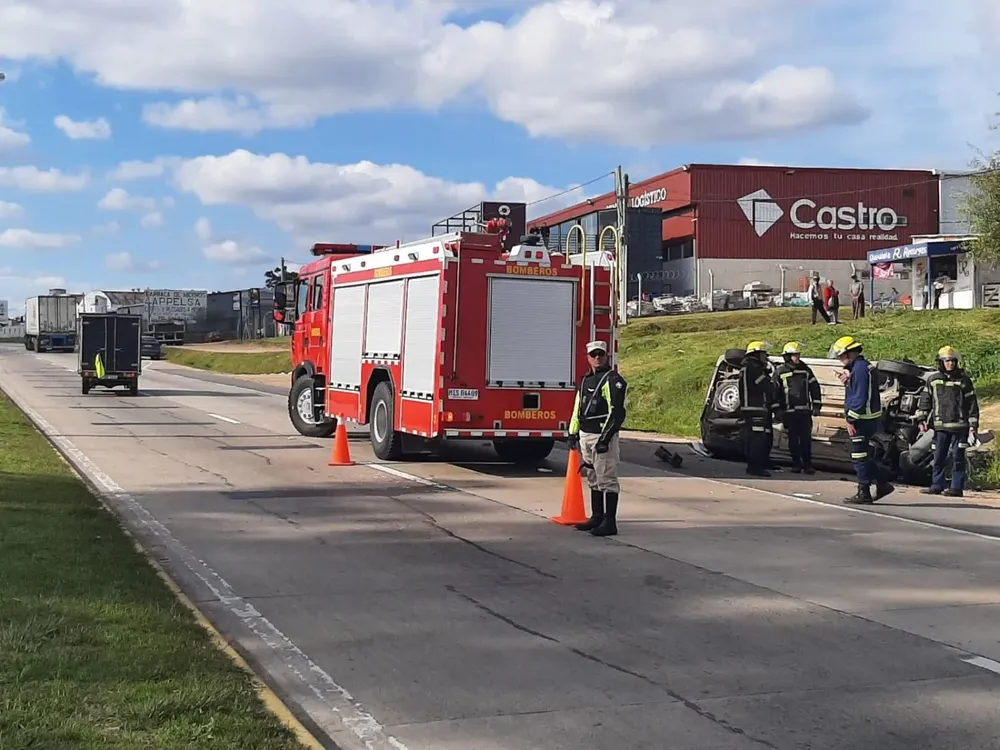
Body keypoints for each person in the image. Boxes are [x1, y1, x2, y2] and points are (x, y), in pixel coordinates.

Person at [567, 340, 628, 537]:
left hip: (602, 436)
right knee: (593, 477)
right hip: (586, 435)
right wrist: (573, 432)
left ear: (606, 356)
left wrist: (605, 439)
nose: (597, 358)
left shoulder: (613, 380)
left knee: (607, 479)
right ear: (588, 357)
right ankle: (596, 517)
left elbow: (617, 412)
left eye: (600, 354)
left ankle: (610, 523)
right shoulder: (585, 380)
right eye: (593, 355)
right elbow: (578, 408)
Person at [829, 335, 895, 504]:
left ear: (850, 353)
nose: (840, 359)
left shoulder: (859, 370)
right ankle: (882, 483)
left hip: (861, 420)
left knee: (858, 455)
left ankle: (864, 491)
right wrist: (848, 382)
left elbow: (860, 397)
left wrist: (851, 419)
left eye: (841, 356)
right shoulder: (862, 367)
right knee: (863, 455)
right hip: (868, 419)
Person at [915, 346, 980, 498]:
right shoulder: (933, 380)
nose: (950, 364)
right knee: (938, 457)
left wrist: (973, 426)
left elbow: (972, 404)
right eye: (947, 361)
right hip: (940, 427)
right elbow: (925, 400)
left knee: (958, 458)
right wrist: (922, 418)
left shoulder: (964, 381)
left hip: (960, 427)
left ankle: (956, 488)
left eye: (952, 361)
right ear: (941, 362)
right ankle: (937, 485)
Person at [773, 341, 823, 474]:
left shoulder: (805, 370)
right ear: (787, 357)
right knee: (793, 440)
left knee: (806, 440)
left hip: (805, 413)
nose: (797, 358)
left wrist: (817, 406)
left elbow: (815, 388)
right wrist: (777, 410)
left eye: (798, 355)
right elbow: (774, 392)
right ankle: (796, 464)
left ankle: (807, 465)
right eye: (794, 355)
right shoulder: (780, 372)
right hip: (789, 413)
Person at [738, 340, 778, 477]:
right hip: (756, 409)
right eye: (763, 354)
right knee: (757, 440)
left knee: (758, 437)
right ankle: (755, 467)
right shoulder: (753, 368)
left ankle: (760, 463)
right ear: (756, 354)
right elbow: (767, 387)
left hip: (751, 409)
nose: (765, 357)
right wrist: (773, 382)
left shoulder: (746, 367)